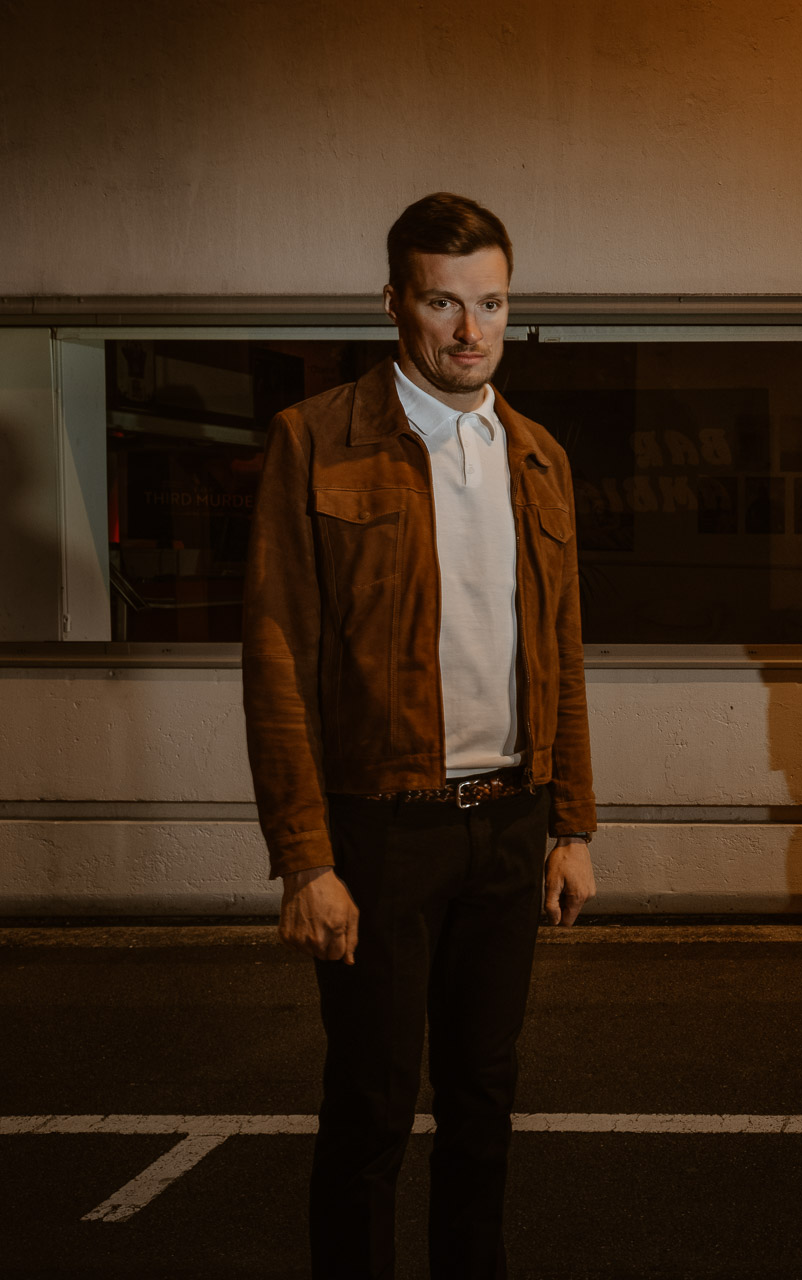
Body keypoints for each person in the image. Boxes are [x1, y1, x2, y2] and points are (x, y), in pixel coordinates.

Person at [242, 191, 597, 1279]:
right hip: (379, 831)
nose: (468, 329)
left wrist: (572, 823)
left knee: (484, 1096)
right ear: (394, 301)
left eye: (489, 302)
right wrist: (306, 856)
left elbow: (562, 653)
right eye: (442, 301)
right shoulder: (315, 441)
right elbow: (276, 658)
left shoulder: (537, 456)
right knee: (371, 1100)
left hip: (509, 819)